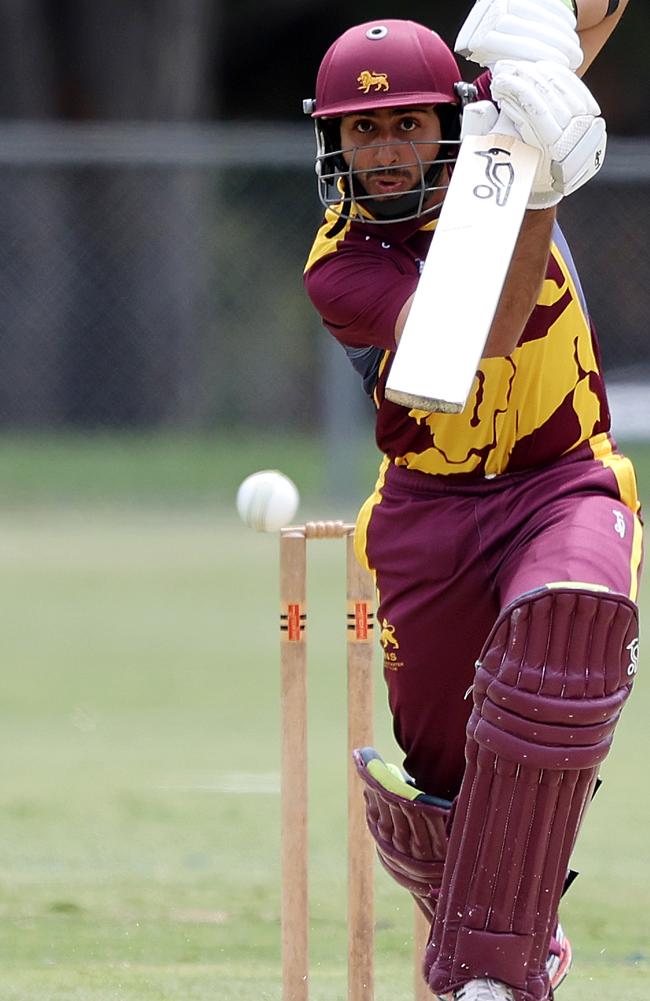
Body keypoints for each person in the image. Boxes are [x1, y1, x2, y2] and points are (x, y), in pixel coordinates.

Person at [302, 3, 641, 1001]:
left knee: (564, 622)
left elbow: (568, 33)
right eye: (362, 130)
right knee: (446, 795)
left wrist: (543, 68)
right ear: (334, 145)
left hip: (559, 477)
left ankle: (492, 969)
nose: (388, 148)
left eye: (406, 121)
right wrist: (536, 181)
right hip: (428, 513)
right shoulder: (342, 267)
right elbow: (477, 332)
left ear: (446, 120)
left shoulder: (497, 138)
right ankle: (503, 923)